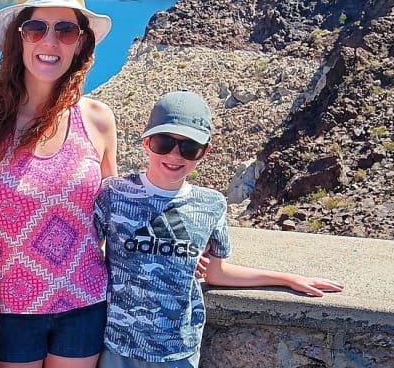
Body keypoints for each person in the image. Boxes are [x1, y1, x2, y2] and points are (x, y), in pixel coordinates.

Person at [94, 90, 345, 368]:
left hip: (178, 352)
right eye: (164, 142)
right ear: (147, 143)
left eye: (189, 147)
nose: (175, 155)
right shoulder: (113, 195)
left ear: (205, 152)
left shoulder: (210, 205)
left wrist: (287, 279)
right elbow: (88, 254)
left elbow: (216, 272)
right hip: (118, 348)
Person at [0, 0, 118, 368]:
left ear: (80, 44)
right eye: (36, 28)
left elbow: (116, 215)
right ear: (18, 38)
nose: (50, 41)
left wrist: (176, 248)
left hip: (84, 302)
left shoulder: (98, 120)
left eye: (66, 30)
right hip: (10, 309)